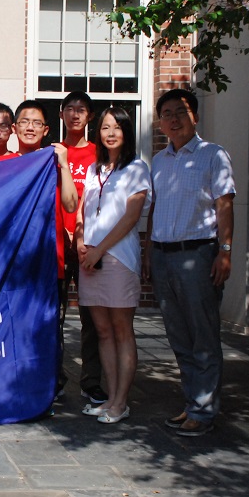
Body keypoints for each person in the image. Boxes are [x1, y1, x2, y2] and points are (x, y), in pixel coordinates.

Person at [144, 88, 236, 437]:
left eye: (180, 111)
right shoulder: (159, 161)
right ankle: (192, 403)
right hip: (163, 256)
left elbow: (224, 205)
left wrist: (224, 251)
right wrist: (149, 252)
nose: (173, 119)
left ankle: (204, 411)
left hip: (198, 255)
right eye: (166, 113)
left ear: (194, 116)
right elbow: (154, 208)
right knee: (179, 337)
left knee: (203, 336)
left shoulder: (213, 155)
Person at [76, 106, 151, 425]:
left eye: (116, 127)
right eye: (105, 127)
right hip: (89, 260)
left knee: (121, 331)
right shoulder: (94, 169)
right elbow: (83, 210)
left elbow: (131, 217)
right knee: (103, 332)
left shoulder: (137, 168)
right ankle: (109, 398)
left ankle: (121, 401)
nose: (110, 133)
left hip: (119, 258)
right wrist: (81, 241)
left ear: (126, 131)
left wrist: (100, 251)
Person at [12, 100, 80, 400]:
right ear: (14, 128)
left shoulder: (53, 161)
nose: (30, 127)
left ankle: (50, 386)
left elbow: (71, 204)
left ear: (46, 129)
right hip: (16, 262)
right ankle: (19, 383)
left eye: (36, 123)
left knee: (51, 325)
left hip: (51, 259)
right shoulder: (6, 163)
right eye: (24, 122)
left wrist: (64, 164)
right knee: (17, 324)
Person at [59, 92, 106, 405]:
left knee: (92, 318)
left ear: (90, 116)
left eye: (82, 110)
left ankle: (91, 382)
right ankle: (55, 380)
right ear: (62, 114)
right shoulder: (52, 152)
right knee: (56, 317)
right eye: (70, 109)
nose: (75, 114)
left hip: (89, 244)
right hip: (57, 245)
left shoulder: (99, 154)